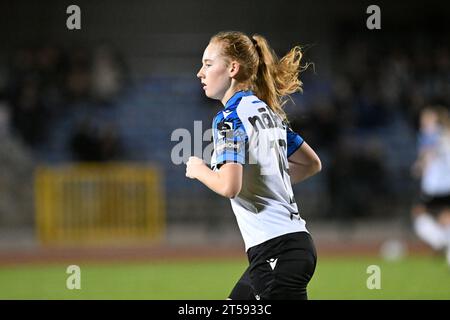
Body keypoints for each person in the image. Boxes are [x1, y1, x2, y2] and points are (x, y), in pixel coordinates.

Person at [185, 31, 321, 300]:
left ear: (232, 68)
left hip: (276, 249)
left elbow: (229, 186)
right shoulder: (267, 112)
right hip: (292, 246)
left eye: (208, 64)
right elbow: (311, 164)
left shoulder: (228, 119)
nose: (200, 73)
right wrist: (263, 181)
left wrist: (200, 170)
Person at [411, 106, 450, 266]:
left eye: (426, 119)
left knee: (421, 215)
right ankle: (444, 244)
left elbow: (424, 161)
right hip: (439, 187)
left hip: (437, 188)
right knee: (443, 219)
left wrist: (420, 166)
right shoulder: (441, 135)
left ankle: (443, 243)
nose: (423, 123)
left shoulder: (434, 135)